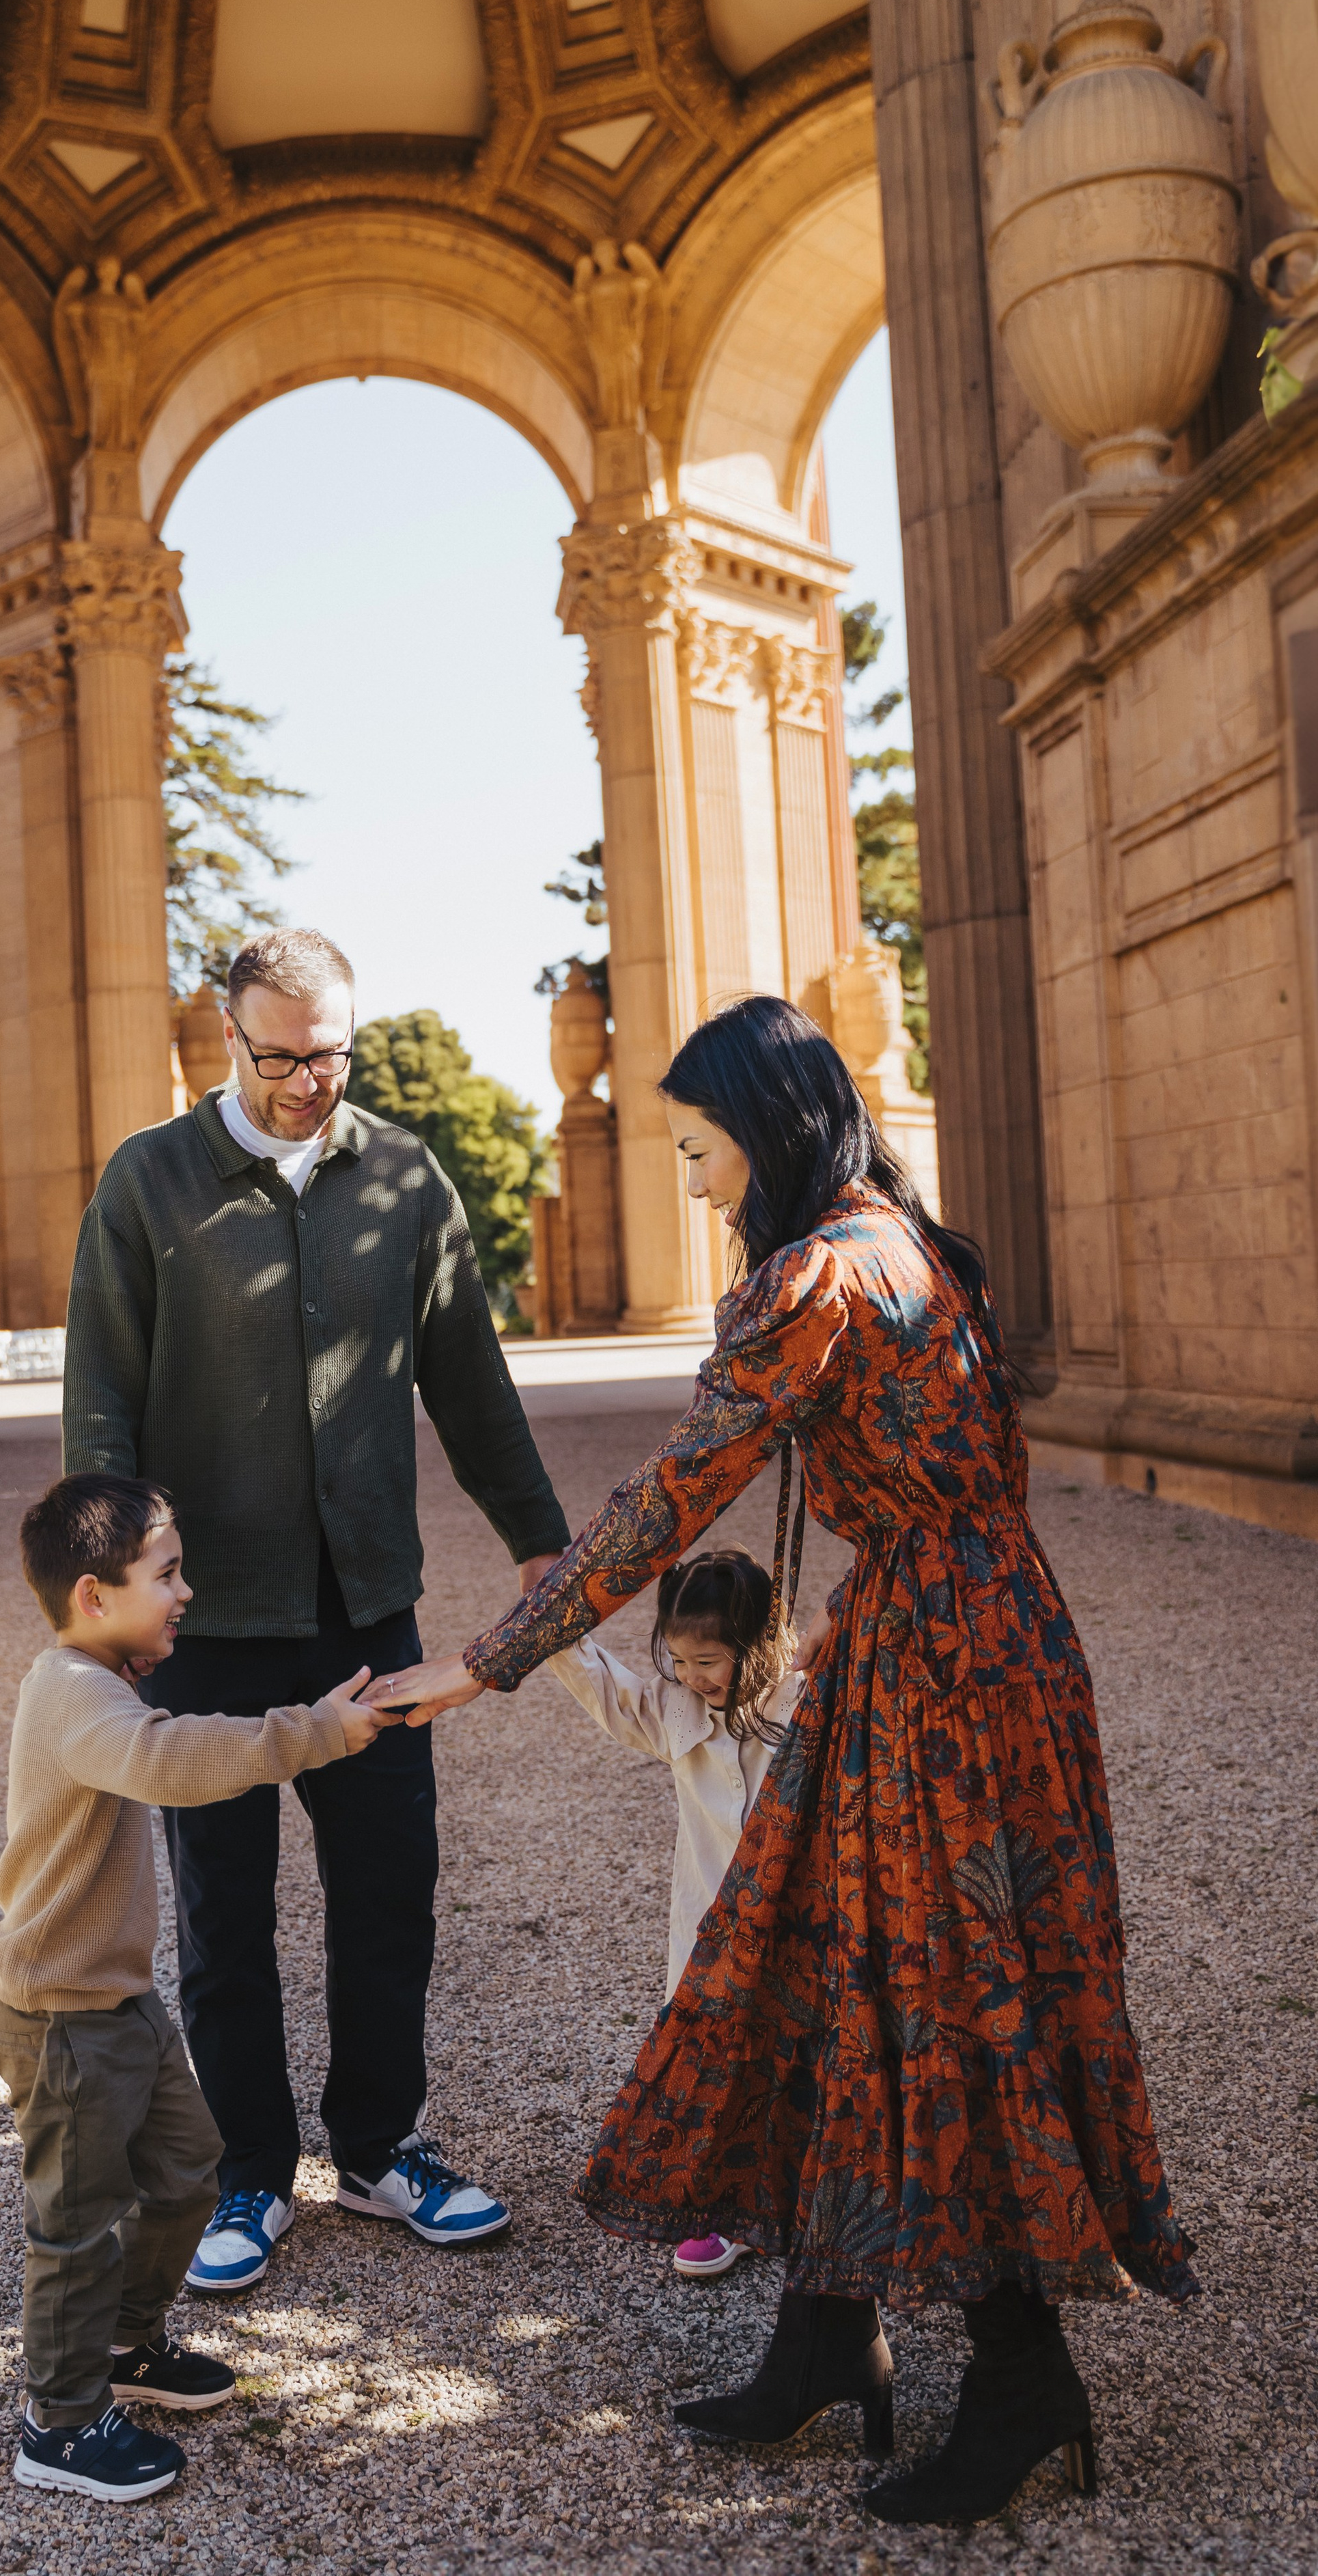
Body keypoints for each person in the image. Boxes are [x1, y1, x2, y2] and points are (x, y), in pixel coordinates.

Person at [387, 995, 1198, 2527]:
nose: (693, 1184)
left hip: (933, 1675)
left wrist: (485, 1661)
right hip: (991, 1633)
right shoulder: (911, 1243)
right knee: (839, 1970)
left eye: (700, 1153)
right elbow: (935, 1478)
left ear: (761, 1137)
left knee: (946, 1997)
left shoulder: (813, 1275)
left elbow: (669, 1496)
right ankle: (826, 2332)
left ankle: (1022, 2378)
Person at [61, 928, 567, 2295]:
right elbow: (98, 1395)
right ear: (226, 1040)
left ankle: (381, 2147)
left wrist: (539, 1543)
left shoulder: (403, 1176)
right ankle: (246, 2173)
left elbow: (467, 1376)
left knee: (388, 1889)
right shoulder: (148, 1181)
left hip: (364, 1614)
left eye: (331, 1051)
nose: (306, 1080)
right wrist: (108, 1587)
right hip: (202, 1623)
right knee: (222, 1916)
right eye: (279, 1056)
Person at [0, 1473, 398, 2503]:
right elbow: (169, 1762)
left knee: (188, 2174)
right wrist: (310, 1732)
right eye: (165, 1575)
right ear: (93, 1595)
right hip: (62, 2019)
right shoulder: (78, 1695)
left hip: (118, 2001)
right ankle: (61, 2422)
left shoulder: (101, 1679)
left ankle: (124, 2349)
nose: (186, 1593)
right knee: (76, 2225)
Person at [546, 1545, 797, 2281]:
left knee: (802, 2064)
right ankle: (724, 2208)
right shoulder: (677, 1709)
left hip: (799, 1930)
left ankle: (807, 2199)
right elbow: (607, 1689)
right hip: (709, 1934)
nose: (694, 1678)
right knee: (717, 2069)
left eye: (711, 1660)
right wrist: (553, 1621)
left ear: (761, 1643)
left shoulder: (806, 1703)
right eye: (680, 1661)